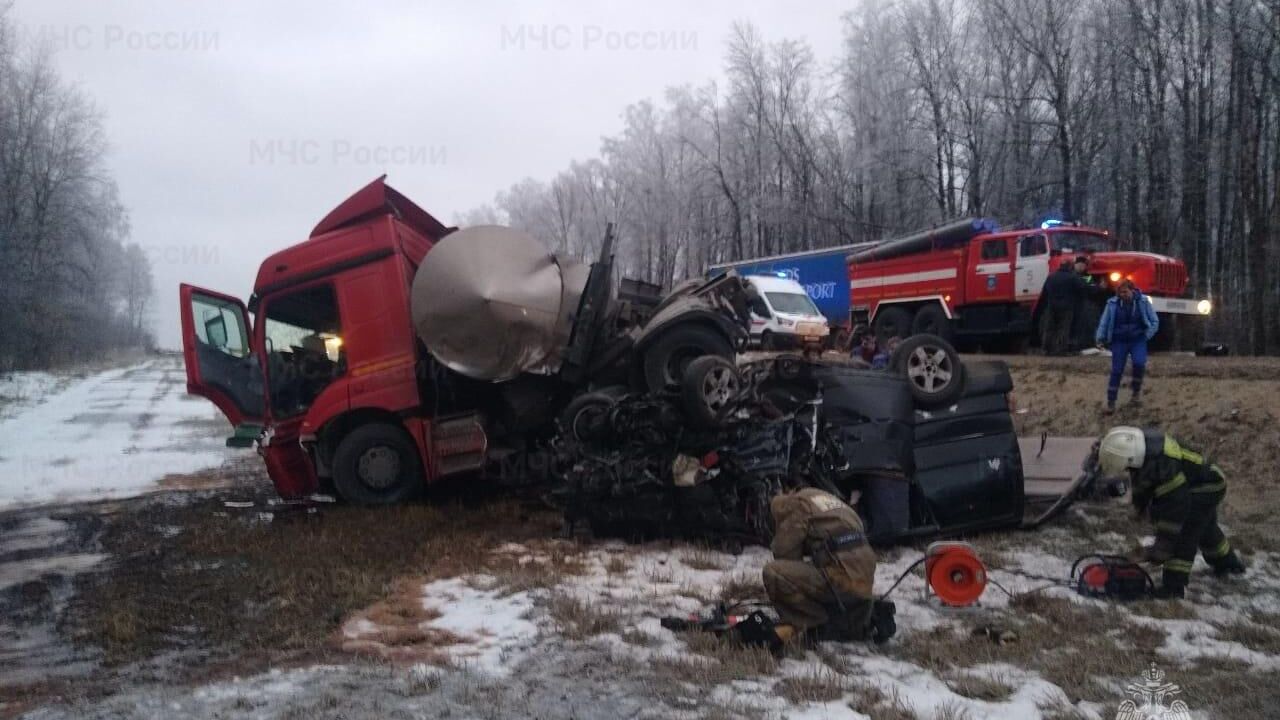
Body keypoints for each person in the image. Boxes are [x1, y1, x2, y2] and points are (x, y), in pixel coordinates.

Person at [1098, 426, 1246, 598]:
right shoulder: (1142, 450)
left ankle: (1173, 587)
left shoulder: (1165, 465)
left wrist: (1160, 550)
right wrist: (1140, 507)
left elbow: (1174, 514)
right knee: (1205, 528)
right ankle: (1228, 564)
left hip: (1208, 486)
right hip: (1197, 481)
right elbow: (1142, 482)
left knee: (1186, 533)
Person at [761, 488, 894, 643]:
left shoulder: (794, 506)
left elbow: (785, 555)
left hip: (841, 576)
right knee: (823, 572)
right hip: (863, 578)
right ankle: (859, 613)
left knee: (774, 572)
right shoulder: (825, 500)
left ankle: (812, 621)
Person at [1095, 279, 1159, 413]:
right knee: (1117, 370)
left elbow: (1154, 321)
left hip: (1138, 339)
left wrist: (1147, 335)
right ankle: (1111, 401)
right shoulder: (1112, 304)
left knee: (1139, 363)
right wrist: (1100, 338)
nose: (1123, 295)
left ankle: (1136, 393)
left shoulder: (1143, 302)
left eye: (1125, 292)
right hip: (1119, 340)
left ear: (1132, 290)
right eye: (1120, 292)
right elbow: (1104, 322)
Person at [1041, 259, 1085, 355]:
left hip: (1052, 306)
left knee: (1049, 328)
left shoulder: (1051, 277)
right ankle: (1061, 350)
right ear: (1070, 266)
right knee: (1063, 328)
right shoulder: (1072, 277)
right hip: (1066, 306)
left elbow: (1045, 292)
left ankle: (1046, 349)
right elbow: (1082, 288)